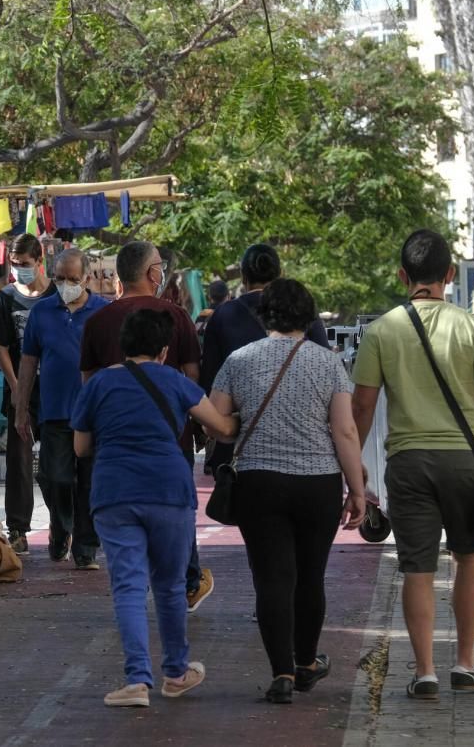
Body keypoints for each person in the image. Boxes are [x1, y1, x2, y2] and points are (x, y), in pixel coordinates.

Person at [351, 230, 474, 700]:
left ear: (402, 276)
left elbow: (362, 407)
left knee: (417, 567)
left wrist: (353, 468)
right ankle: (465, 663)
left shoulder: (382, 331)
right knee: (469, 557)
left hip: (407, 462)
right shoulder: (470, 326)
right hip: (466, 461)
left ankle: (423, 673)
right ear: (448, 275)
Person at [208, 278, 367, 705]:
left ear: (264, 316)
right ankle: (307, 663)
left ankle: (280, 672)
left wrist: (242, 422)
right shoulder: (329, 363)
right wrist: (357, 489)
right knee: (310, 576)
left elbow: (214, 422)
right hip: (318, 483)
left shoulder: (239, 360)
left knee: (272, 578)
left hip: (259, 482)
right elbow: (345, 430)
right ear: (309, 317)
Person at [72, 309, 238, 708]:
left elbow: (80, 448)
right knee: (169, 585)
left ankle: (135, 681)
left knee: (128, 585)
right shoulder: (176, 381)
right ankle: (177, 673)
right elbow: (220, 427)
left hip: (113, 494)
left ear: (124, 345)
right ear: (164, 351)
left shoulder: (98, 385)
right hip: (169, 491)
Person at [80, 241, 214, 611]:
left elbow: (88, 382)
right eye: (160, 265)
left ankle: (134, 588)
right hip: (170, 440)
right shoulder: (175, 316)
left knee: (123, 518)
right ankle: (187, 582)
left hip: (113, 442)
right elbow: (192, 377)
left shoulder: (97, 321)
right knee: (178, 510)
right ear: (152, 273)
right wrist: (208, 427)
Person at [14, 249, 110, 569]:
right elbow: (28, 364)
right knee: (55, 478)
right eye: (60, 278)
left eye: (72, 278)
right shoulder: (42, 313)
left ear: (86, 277)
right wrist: (21, 409)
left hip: (94, 415)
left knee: (90, 483)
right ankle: (61, 525)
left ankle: (86, 547)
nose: (66, 284)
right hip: (54, 413)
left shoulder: (103, 312)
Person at [200, 244, 329, 475]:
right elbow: (325, 369)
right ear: (280, 274)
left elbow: (209, 378)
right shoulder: (302, 311)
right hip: (301, 442)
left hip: (240, 446)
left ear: (243, 276)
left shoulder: (223, 315)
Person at [0, 233, 57, 555]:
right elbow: (1, 348)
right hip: (18, 391)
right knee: (19, 460)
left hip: (54, 391)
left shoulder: (58, 295)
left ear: (39, 261)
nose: (19, 271)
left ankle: (63, 524)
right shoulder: (6, 297)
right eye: (14, 265)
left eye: (24, 265)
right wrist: (17, 390)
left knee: (58, 462)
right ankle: (18, 528)